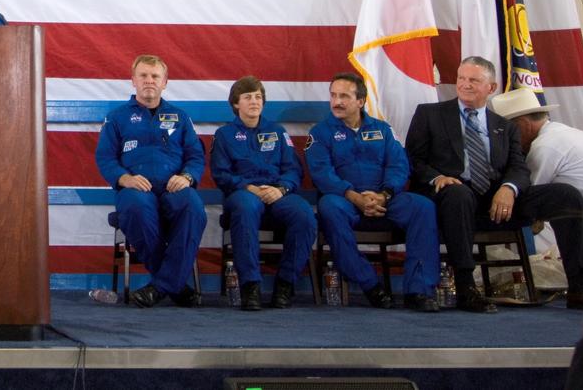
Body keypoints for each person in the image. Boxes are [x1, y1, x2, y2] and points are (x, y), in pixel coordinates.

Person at [406, 56, 583, 312]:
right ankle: (467, 287)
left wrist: (509, 188)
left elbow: (518, 168)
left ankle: (579, 286)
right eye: (461, 79)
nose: (465, 85)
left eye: (474, 80)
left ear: (491, 88)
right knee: (458, 194)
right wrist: (438, 177)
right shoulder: (430, 114)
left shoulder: (504, 126)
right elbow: (413, 158)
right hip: (450, 195)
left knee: (565, 195)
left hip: (495, 200)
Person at [307, 72, 439, 311]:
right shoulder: (320, 133)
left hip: (385, 199)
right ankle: (371, 285)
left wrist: (385, 194)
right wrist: (355, 197)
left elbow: (399, 165)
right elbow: (322, 173)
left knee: (423, 207)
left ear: (360, 101)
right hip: (345, 201)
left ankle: (418, 291)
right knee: (328, 207)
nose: (337, 101)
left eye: (344, 96)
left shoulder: (383, 130)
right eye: (333, 95)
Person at [95, 55, 205, 307]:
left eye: (155, 76)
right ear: (133, 81)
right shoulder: (116, 118)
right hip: (136, 187)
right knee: (135, 209)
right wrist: (124, 178)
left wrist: (187, 177)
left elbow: (196, 156)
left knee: (194, 207)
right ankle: (175, 286)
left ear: (165, 82)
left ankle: (160, 286)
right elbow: (105, 158)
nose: (149, 81)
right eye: (143, 75)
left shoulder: (180, 117)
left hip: (173, 186)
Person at [210, 76, 317, 310]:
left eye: (258, 97)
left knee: (304, 215)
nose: (254, 101)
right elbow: (221, 173)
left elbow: (293, 169)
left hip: (277, 195)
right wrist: (248, 187)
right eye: (247, 97)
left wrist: (281, 189)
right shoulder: (224, 135)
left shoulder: (277, 132)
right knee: (245, 208)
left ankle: (285, 285)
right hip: (243, 194)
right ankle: (251, 287)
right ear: (236, 104)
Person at [490, 86, 583, 285]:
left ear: (522, 125)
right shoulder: (565, 132)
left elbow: (529, 197)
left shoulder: (544, 146)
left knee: (563, 204)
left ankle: (579, 284)